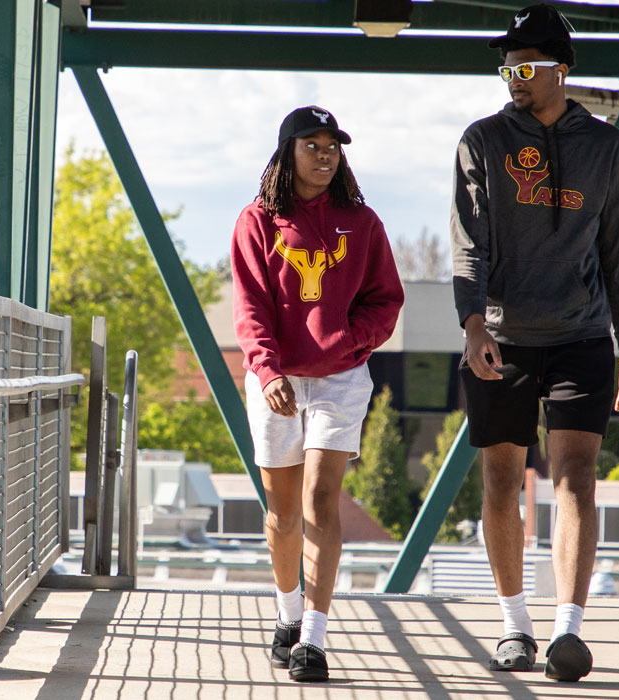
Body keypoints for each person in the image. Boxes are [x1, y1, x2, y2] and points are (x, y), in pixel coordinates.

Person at [450, 3, 619, 683]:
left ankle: (568, 630)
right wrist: (473, 324)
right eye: (507, 67)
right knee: (503, 479)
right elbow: (468, 243)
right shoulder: (481, 142)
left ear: (563, 69)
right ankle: (514, 626)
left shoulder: (606, 148)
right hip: (501, 338)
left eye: (527, 67)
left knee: (576, 480)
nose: (514, 79)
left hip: (583, 337)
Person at [231, 106, 404, 683]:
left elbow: (386, 301)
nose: (325, 154)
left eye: (333, 145)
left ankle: (313, 637)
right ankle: (285, 616)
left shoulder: (363, 222)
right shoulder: (257, 221)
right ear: (287, 152)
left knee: (320, 500)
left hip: (340, 379)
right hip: (275, 380)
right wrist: (267, 369)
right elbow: (250, 306)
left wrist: (348, 343)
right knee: (281, 512)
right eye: (312, 144)